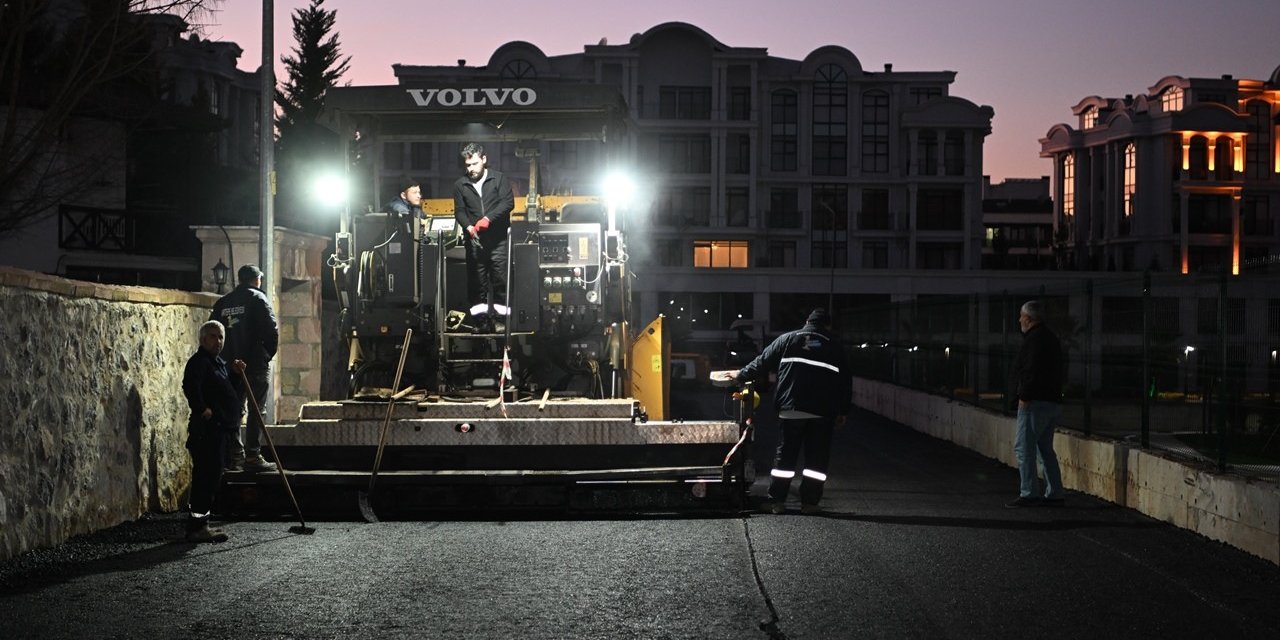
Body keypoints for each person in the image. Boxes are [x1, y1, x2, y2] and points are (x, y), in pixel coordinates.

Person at [728, 308, 851, 515]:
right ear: (828, 325)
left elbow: (762, 361)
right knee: (817, 459)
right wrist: (843, 411)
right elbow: (845, 383)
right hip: (822, 411)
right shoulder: (835, 347)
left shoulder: (787, 339)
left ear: (807, 322)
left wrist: (740, 375)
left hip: (791, 408)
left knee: (785, 456)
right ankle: (810, 503)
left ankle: (776, 501)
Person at [210, 264, 279, 473]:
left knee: (233, 410)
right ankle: (253, 455)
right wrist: (265, 356)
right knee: (257, 410)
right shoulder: (258, 299)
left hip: (229, 366)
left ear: (240, 279)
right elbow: (271, 330)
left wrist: (223, 359)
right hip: (254, 364)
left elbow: (213, 330)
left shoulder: (223, 303)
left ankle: (235, 457)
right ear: (257, 279)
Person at [181, 320, 244, 543]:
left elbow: (226, 392)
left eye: (221, 337)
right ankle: (197, 526)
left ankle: (201, 524)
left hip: (221, 430)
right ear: (203, 339)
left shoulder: (218, 364)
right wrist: (202, 409)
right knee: (206, 477)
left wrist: (235, 375)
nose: (218, 341)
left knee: (212, 476)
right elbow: (191, 386)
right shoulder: (199, 363)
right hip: (207, 431)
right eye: (214, 336)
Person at [1005, 300, 1066, 508]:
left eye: (1021, 316)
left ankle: (1029, 493)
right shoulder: (1050, 338)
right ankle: (1055, 492)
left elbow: (1029, 370)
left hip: (1034, 402)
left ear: (1029, 319)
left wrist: (1023, 396)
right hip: (1052, 401)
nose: (1019, 319)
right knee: (1045, 449)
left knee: (1024, 448)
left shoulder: (1033, 340)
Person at [452, 142, 514, 330]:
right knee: (477, 284)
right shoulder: (460, 185)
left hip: (498, 241)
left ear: (484, 160)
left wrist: (488, 219)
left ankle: (501, 322)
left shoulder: (499, 179)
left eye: (475, 164)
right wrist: (469, 227)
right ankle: (480, 322)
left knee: (500, 280)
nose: (471, 169)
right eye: (468, 165)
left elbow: (508, 203)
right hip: (475, 242)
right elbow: (459, 212)